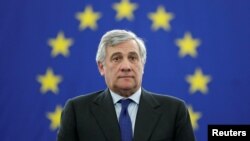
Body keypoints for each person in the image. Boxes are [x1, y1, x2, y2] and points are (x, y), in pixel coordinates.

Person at [57, 29, 195, 141]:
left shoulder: (174, 111)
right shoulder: (77, 111)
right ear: (101, 67)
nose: (126, 66)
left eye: (133, 58)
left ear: (143, 65)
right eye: (116, 58)